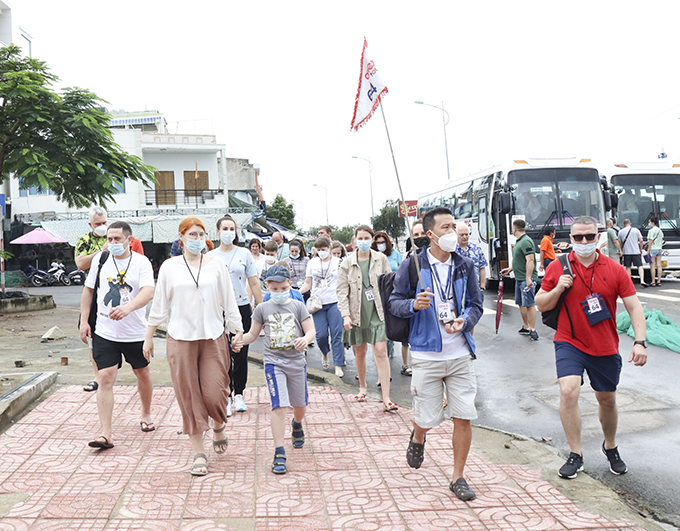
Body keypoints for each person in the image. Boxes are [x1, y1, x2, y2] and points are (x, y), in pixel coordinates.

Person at [535, 216, 647, 479]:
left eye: (589, 236)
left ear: (598, 237)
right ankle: (576, 454)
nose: (583, 242)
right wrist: (558, 290)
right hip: (569, 340)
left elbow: (634, 306)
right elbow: (541, 303)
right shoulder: (558, 266)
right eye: (578, 237)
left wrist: (640, 342)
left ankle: (610, 447)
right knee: (568, 391)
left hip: (605, 345)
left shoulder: (615, 268)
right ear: (570, 239)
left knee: (606, 400)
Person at [389, 207, 483, 500]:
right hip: (426, 354)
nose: (452, 232)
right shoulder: (413, 265)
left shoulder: (464, 265)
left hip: (460, 354)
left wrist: (464, 321)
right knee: (427, 419)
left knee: (463, 416)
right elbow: (394, 301)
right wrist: (412, 305)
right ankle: (419, 436)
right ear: (430, 235)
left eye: (454, 226)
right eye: (445, 228)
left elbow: (476, 305)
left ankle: (458, 477)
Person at [144, 217, 244, 476]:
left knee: (215, 393)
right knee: (189, 397)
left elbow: (228, 299)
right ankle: (199, 453)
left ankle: (219, 423)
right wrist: (149, 335)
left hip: (212, 336)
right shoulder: (169, 266)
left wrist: (238, 329)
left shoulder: (217, 264)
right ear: (182, 237)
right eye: (192, 234)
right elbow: (159, 305)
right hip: (180, 339)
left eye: (201, 234)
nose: (197, 239)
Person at [79, 221, 155, 450]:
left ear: (129, 240)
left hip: (134, 331)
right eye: (109, 239)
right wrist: (84, 321)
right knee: (105, 378)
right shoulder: (99, 261)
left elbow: (148, 291)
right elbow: (89, 290)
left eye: (117, 239)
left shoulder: (141, 262)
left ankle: (146, 413)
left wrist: (129, 308)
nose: (112, 243)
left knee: (141, 372)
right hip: (105, 331)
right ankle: (105, 434)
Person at [235, 265, 315, 475]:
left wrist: (305, 339)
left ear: (289, 284)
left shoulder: (298, 306)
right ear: (267, 286)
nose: (279, 292)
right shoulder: (262, 308)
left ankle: (297, 424)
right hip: (273, 363)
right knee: (279, 406)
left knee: (300, 405)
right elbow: (252, 335)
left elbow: (310, 330)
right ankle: (279, 451)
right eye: (275, 288)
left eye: (283, 287)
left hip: (297, 362)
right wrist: (238, 341)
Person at [209, 215, 264, 415]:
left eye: (232, 228)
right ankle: (226, 394)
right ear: (218, 231)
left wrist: (260, 306)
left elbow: (254, 282)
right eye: (225, 228)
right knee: (220, 354)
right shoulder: (210, 256)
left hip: (241, 307)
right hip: (218, 309)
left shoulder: (244, 254)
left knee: (240, 352)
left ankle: (239, 393)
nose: (228, 232)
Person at [337, 225, 396, 410]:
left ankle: (386, 397)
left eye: (366, 238)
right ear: (354, 240)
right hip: (356, 314)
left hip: (378, 312)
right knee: (359, 352)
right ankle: (362, 386)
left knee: (381, 351)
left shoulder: (381, 259)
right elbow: (341, 291)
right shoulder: (347, 263)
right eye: (359, 238)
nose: (363, 241)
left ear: (372, 239)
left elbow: (389, 285)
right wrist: (345, 315)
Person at [76, 207, 110, 393]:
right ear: (91, 224)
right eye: (98, 224)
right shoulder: (84, 240)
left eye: (104, 222)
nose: (103, 227)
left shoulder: (115, 236)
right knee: (93, 335)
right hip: (92, 291)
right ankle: (98, 376)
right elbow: (80, 264)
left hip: (115, 289)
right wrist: (100, 253)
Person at [300, 236, 345, 376]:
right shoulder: (312, 263)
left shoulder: (339, 262)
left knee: (337, 334)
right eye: (318, 250)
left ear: (329, 248)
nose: (321, 252)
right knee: (321, 335)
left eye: (323, 249)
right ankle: (325, 352)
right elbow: (308, 282)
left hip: (335, 301)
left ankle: (338, 364)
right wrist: (297, 292)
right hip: (317, 303)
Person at [501, 219, 539, 340]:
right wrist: (510, 269)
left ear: (515, 228)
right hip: (519, 277)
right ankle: (526, 326)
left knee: (529, 304)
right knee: (521, 303)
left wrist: (529, 278)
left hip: (525, 278)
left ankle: (533, 329)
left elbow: (530, 260)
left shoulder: (526, 242)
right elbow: (520, 260)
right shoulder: (519, 241)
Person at [372, 231, 402, 359]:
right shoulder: (373, 256)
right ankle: (382, 351)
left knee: (390, 320)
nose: (380, 245)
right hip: (377, 292)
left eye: (382, 242)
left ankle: (390, 346)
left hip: (393, 290)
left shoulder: (395, 255)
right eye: (378, 243)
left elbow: (401, 269)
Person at [455, 223, 488, 289]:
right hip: (458, 288)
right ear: (456, 234)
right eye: (461, 235)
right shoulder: (452, 250)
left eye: (466, 234)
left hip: (475, 288)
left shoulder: (476, 249)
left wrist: (482, 286)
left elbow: (482, 267)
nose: (464, 237)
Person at [618, 219, 648, 287]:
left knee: (628, 267)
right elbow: (641, 240)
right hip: (636, 251)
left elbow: (619, 242)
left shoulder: (621, 232)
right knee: (639, 266)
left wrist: (621, 250)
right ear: (630, 223)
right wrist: (641, 248)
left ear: (624, 224)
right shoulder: (636, 230)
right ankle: (642, 280)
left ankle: (629, 281)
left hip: (626, 252)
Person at [647, 216, 664, 286]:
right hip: (659, 249)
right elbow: (662, 238)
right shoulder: (660, 230)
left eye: (649, 222)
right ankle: (659, 281)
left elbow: (650, 241)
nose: (649, 223)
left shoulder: (651, 231)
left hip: (653, 249)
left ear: (652, 223)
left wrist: (648, 250)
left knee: (652, 266)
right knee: (659, 265)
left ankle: (653, 281)